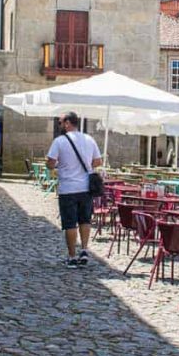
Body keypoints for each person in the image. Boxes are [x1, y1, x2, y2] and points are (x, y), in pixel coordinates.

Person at [46, 111, 102, 269]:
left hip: (68, 188)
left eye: (60, 122)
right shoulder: (89, 139)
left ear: (68, 123)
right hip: (86, 188)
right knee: (85, 220)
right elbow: (97, 161)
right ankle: (84, 250)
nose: (60, 125)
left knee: (70, 223)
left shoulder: (59, 141)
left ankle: (71, 257)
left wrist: (60, 165)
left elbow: (50, 163)